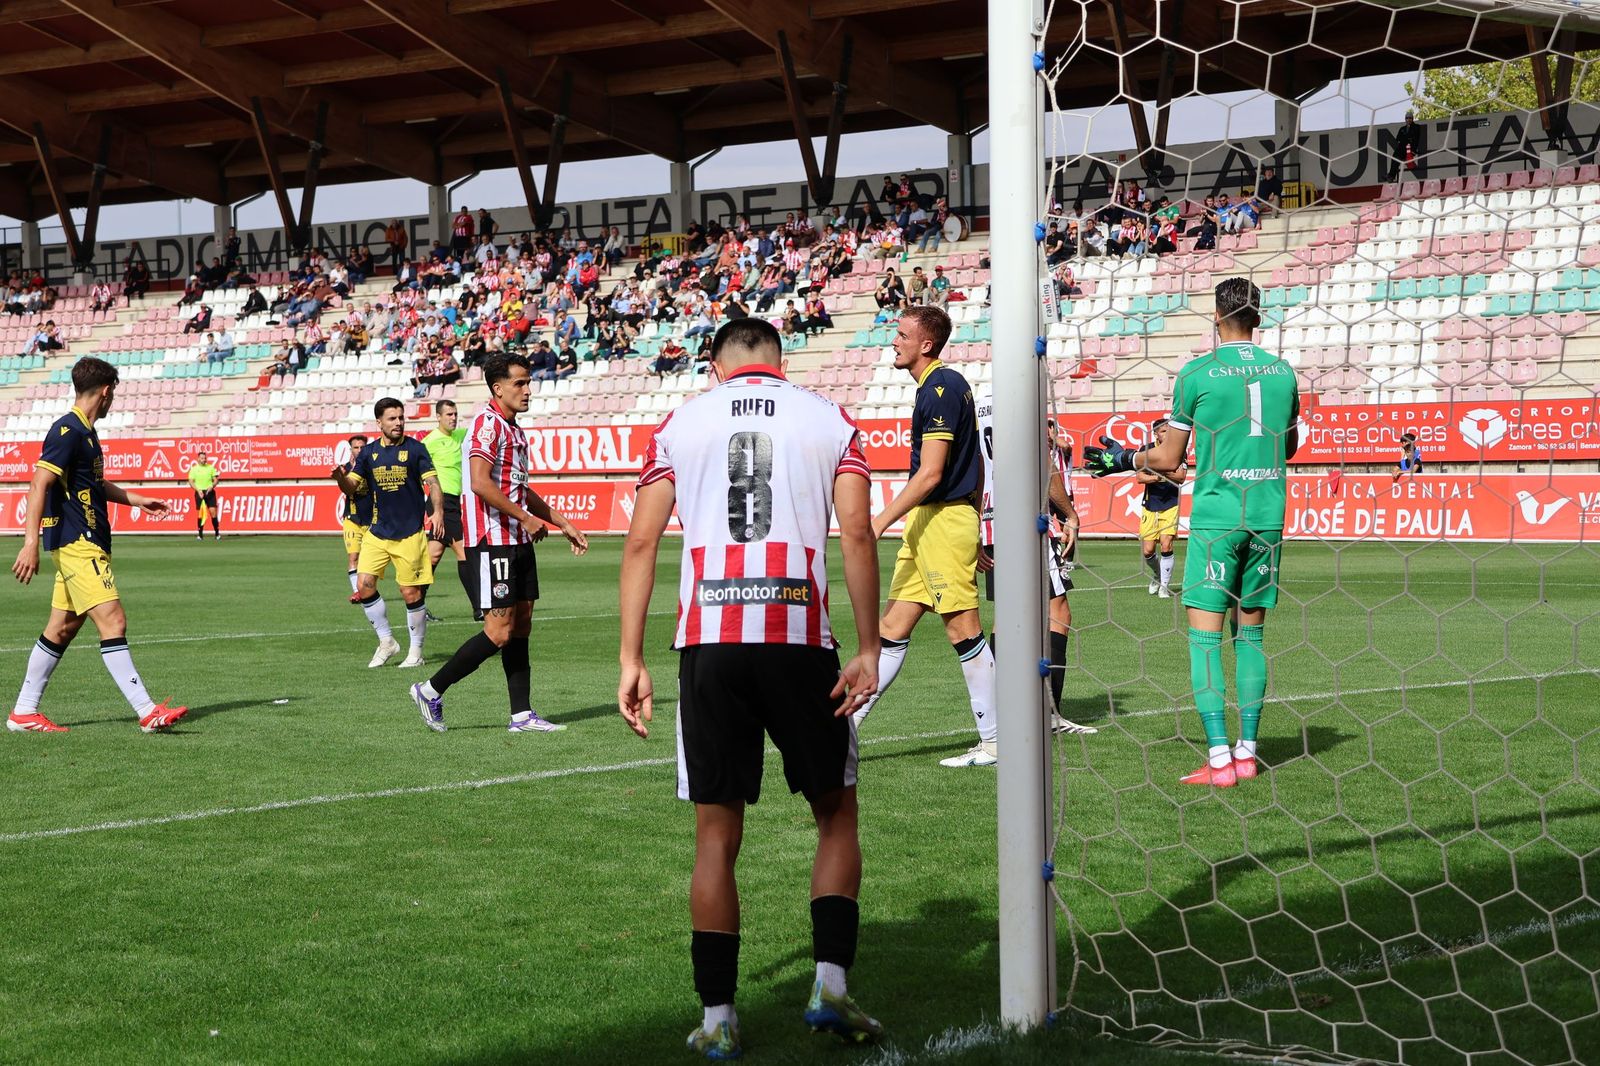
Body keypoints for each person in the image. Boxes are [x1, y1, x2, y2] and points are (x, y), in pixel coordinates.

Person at [617, 317, 883, 1058]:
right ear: (780, 361)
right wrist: (868, 646)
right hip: (798, 635)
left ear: (716, 366)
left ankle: (718, 1021)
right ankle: (830, 986)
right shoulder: (830, 418)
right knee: (835, 814)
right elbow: (857, 533)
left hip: (710, 641)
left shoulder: (681, 423)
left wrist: (631, 657)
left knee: (715, 835)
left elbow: (640, 541)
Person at [1084, 277, 1299, 788]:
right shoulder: (1283, 373)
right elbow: (1288, 447)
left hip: (1218, 518)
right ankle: (1248, 754)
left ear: (1216, 316)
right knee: (1251, 636)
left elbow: (1167, 458)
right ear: (1258, 317)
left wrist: (1122, 458)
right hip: (1267, 516)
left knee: (1204, 640)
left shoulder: (1198, 373)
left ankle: (1220, 760)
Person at [7, 356, 188, 734]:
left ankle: (23, 712)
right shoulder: (68, 430)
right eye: (113, 395)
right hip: (78, 543)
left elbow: (93, 484)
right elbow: (39, 483)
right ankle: (147, 711)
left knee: (62, 628)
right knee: (113, 619)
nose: (112, 401)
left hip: (81, 543)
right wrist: (29, 543)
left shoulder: (86, 433)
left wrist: (135, 500)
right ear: (106, 392)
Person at [410, 353, 589, 734]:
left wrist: (563, 523)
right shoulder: (487, 425)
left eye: (528, 382)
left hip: (517, 539)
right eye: (519, 383)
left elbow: (520, 489)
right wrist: (524, 517)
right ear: (498, 388)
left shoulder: (515, 430)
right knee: (499, 632)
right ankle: (430, 690)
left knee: (521, 625)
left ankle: (521, 716)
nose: (527, 390)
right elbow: (479, 482)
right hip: (492, 541)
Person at [849, 306, 996, 767]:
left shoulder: (940, 388)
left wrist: (878, 522)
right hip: (934, 522)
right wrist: (974, 522)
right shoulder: (940, 387)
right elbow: (975, 464)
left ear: (925, 344)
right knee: (891, 629)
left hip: (942, 521)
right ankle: (843, 731)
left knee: (963, 628)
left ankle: (996, 740)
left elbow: (931, 474)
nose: (894, 341)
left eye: (901, 334)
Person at [975, 395, 1095, 736]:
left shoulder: (979, 406)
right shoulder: (1021, 401)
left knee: (1006, 618)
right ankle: (1048, 713)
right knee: (1058, 612)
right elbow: (1043, 465)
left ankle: (1001, 713)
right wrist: (1069, 514)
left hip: (992, 520)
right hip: (1026, 520)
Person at [331, 398, 445, 670]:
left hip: (409, 533)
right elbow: (350, 488)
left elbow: (432, 482)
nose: (398, 423)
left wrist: (438, 512)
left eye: (401, 418)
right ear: (379, 422)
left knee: (410, 593)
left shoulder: (415, 449)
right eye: (392, 419)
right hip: (378, 531)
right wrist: (340, 478)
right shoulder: (368, 453)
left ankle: (416, 652)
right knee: (364, 585)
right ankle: (387, 641)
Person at [421, 400, 470, 619]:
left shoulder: (461, 436)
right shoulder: (429, 442)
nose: (453, 418)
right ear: (438, 417)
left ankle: (416, 605)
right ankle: (480, 607)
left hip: (454, 502)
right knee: (464, 552)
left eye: (455, 414)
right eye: (449, 414)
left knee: (433, 555)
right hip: (440, 502)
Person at [1135, 418, 1185, 598]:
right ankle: (1157, 575)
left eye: (1169, 431)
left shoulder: (1179, 450)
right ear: (1155, 434)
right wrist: (1158, 477)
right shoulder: (1146, 450)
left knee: (1166, 544)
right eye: (1164, 431)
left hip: (1171, 503)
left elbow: (1181, 477)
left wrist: (1158, 470)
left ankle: (1164, 586)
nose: (1168, 434)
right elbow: (1140, 477)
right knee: (1148, 550)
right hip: (1150, 504)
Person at [335, 434, 374, 604]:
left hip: (372, 521)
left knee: (369, 561)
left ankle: (367, 588)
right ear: (351, 450)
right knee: (353, 558)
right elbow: (346, 489)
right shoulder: (346, 469)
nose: (359, 450)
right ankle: (357, 592)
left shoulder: (374, 466)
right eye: (356, 448)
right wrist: (341, 477)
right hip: (352, 520)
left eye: (362, 447)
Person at [187, 452, 222, 541]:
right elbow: (191, 481)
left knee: (213, 512)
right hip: (200, 492)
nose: (204, 460)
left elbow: (216, 480)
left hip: (209, 492)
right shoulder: (194, 469)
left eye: (205, 458)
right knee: (201, 514)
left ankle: (217, 534)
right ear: (198, 459)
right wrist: (198, 490)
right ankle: (200, 535)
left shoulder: (210, 467)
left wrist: (212, 486)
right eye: (202, 458)